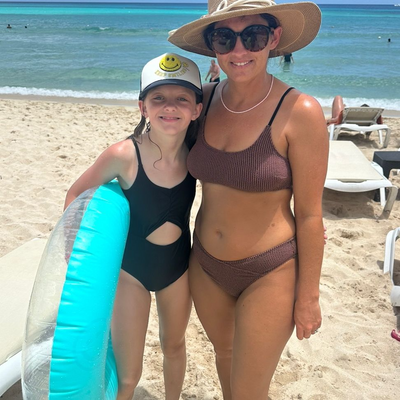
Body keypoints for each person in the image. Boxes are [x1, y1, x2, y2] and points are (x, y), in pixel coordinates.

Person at [168, 0, 328, 398]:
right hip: (205, 265)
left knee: (248, 391)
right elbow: (154, 150)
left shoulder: (300, 111)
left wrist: (309, 296)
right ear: (212, 46)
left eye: (253, 36)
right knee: (224, 357)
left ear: (274, 38)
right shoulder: (202, 102)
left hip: (270, 270)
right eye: (225, 37)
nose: (239, 50)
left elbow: (310, 215)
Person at [64, 53, 203, 400]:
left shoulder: (197, 153)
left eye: (182, 99)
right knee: (129, 375)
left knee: (174, 346)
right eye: (158, 98)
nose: (170, 106)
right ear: (142, 107)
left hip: (177, 268)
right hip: (131, 273)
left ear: (197, 109)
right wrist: (73, 255)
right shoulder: (124, 155)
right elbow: (76, 195)